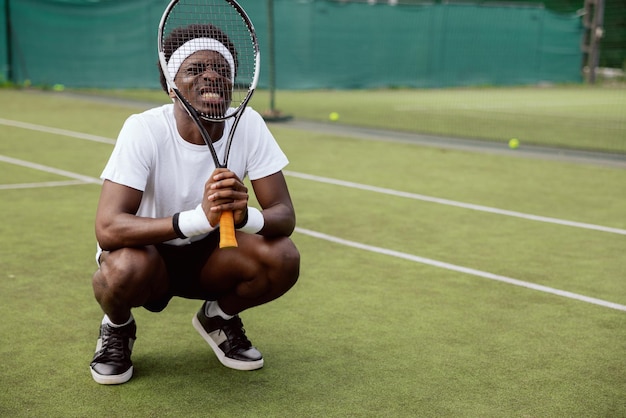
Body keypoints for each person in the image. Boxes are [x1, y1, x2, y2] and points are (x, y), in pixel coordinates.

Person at [89, 23, 300, 385]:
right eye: (195, 69)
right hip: (147, 256)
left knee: (282, 258)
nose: (211, 76)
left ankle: (218, 318)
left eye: (221, 70)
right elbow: (108, 228)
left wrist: (243, 215)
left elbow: (284, 216)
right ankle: (118, 327)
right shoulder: (143, 128)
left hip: (211, 257)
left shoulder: (247, 124)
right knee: (122, 269)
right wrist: (197, 219)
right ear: (172, 87)